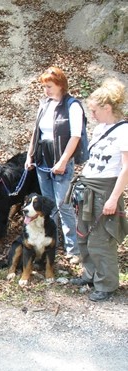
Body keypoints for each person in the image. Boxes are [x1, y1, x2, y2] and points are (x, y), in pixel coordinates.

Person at [70, 78, 128, 302]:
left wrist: (113, 199)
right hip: (88, 188)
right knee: (83, 235)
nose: (92, 115)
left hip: (105, 190)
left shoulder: (123, 131)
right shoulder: (100, 129)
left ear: (107, 108)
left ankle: (106, 284)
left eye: (94, 110)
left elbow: (125, 169)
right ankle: (91, 274)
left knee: (101, 238)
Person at [25, 66, 83, 264]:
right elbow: (36, 132)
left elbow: (75, 136)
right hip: (43, 160)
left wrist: (63, 161)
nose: (46, 90)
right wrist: (29, 156)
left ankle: (73, 249)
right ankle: (52, 244)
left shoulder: (72, 106)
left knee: (63, 204)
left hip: (61, 160)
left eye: (49, 86)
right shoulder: (45, 104)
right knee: (48, 204)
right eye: (44, 87)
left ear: (60, 85)